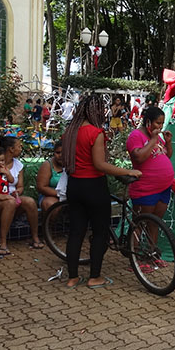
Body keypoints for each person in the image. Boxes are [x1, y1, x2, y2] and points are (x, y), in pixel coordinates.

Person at [62, 94, 142, 289]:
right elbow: (100, 164)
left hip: (74, 185)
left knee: (76, 232)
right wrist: (127, 171)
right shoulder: (95, 132)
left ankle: (72, 278)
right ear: (96, 111)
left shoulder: (69, 132)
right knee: (100, 232)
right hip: (94, 187)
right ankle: (95, 277)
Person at [0, 135, 43, 254]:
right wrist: (1, 196)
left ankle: (35, 237)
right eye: (19, 146)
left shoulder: (18, 165)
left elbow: (20, 186)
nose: (21, 149)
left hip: (12, 197)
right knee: (10, 203)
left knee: (30, 202)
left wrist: (17, 192)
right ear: (11, 149)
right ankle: (3, 242)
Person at [126, 105, 174, 229]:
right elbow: (139, 157)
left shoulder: (155, 136)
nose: (160, 127)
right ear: (148, 122)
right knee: (139, 226)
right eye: (158, 123)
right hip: (146, 189)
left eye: (162, 123)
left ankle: (151, 244)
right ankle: (132, 242)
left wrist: (168, 142)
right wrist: (153, 140)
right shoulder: (136, 136)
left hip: (163, 188)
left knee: (154, 225)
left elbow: (166, 156)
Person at [36, 140, 64, 212]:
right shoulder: (48, 165)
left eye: (63, 153)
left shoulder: (75, 163)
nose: (60, 155)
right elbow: (41, 187)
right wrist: (61, 194)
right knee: (50, 204)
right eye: (58, 152)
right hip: (50, 196)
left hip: (72, 195)